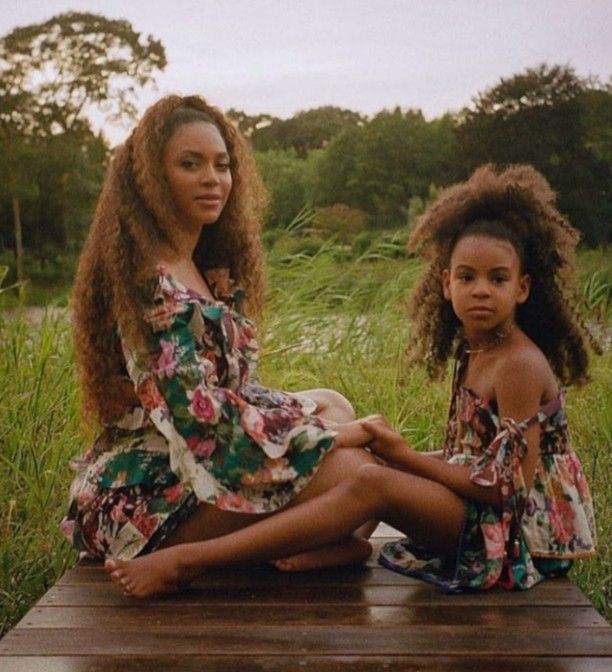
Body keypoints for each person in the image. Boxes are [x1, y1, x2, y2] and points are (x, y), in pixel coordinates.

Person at [103, 163, 597, 598]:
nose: (481, 291)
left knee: (372, 479)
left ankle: (190, 561)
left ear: (523, 287)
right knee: (372, 460)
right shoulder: (478, 348)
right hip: (488, 516)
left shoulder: (519, 364)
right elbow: (474, 460)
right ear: (445, 284)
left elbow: (507, 489)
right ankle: (344, 545)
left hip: (517, 540)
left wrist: (402, 458)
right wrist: (397, 454)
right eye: (467, 277)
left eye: (498, 279)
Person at [61, 94, 379, 576]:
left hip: (199, 457)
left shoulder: (207, 265)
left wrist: (320, 426)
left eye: (222, 164)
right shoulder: (148, 283)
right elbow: (200, 424)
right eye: (191, 164)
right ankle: (304, 541)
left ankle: (321, 540)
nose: (212, 178)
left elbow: (234, 391)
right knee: (357, 471)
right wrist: (325, 441)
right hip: (148, 489)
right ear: (152, 179)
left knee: (333, 404)